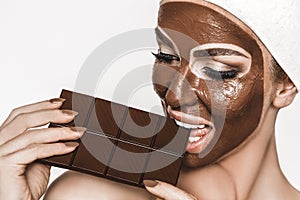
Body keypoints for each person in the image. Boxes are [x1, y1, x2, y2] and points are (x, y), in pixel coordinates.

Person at [0, 0, 299, 199]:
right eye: (166, 57)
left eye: (219, 70)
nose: (173, 95)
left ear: (284, 86)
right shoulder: (89, 195)